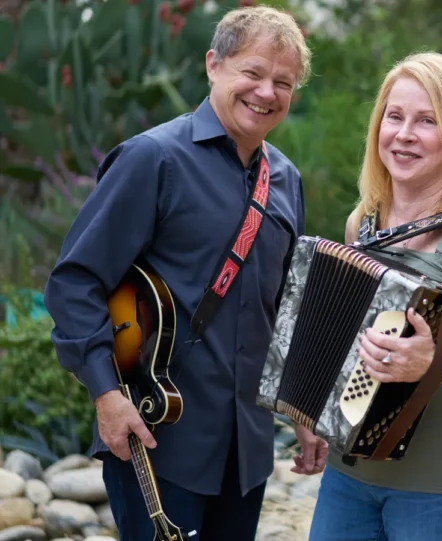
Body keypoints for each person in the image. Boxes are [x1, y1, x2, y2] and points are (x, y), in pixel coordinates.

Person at [43, 6, 311, 539]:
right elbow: (75, 282)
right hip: (157, 434)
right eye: (252, 73)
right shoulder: (153, 159)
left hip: (247, 450)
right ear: (214, 65)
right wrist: (105, 395)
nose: (266, 92)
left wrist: (301, 408)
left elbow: (281, 306)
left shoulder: (286, 179)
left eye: (283, 82)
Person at [291, 51, 442, 541]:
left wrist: (432, 363)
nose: (404, 134)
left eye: (427, 121)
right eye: (394, 117)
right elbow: (348, 337)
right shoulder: (364, 224)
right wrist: (312, 413)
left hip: (441, 490)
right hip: (350, 475)